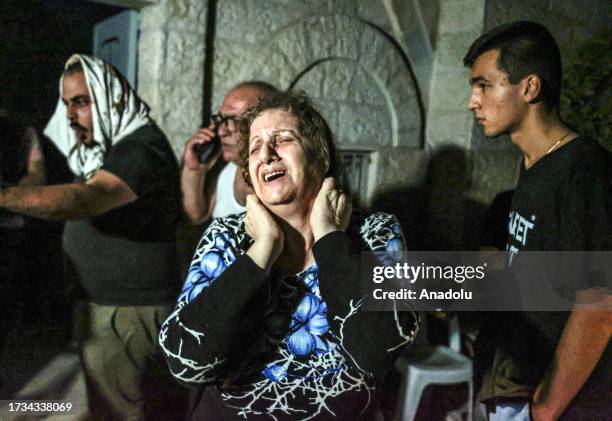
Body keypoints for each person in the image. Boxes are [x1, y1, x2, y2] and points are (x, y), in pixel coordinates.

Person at [159, 91, 419, 420]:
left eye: (282, 140)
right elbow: (185, 364)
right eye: (255, 147)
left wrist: (329, 238)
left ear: (319, 157)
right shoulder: (225, 237)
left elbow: (378, 351)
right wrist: (263, 249)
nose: (266, 154)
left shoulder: (374, 232)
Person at [0, 54, 182, 419]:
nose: (69, 116)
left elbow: (86, 198)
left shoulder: (140, 148)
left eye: (81, 102)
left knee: (119, 412)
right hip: (102, 308)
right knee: (104, 405)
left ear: (111, 98)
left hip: (128, 313)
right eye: (66, 104)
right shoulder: (103, 151)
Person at [464, 22, 611, 420]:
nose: (472, 102)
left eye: (484, 86)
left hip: (561, 402)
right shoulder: (534, 166)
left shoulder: (584, 169)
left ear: (529, 88)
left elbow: (599, 304)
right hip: (518, 386)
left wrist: (545, 407)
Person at [181, 81, 278, 224]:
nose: (221, 131)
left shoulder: (273, 178)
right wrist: (194, 170)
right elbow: (198, 215)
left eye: (232, 120)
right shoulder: (229, 170)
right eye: (221, 119)